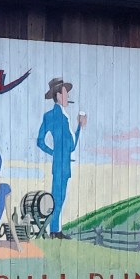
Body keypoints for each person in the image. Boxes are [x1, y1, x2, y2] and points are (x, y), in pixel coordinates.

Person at [37, 77, 87, 239]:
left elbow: (41, 141)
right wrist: (80, 126)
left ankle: (55, 230)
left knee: (59, 198)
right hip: (62, 165)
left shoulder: (54, 115)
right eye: (66, 93)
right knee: (58, 198)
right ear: (58, 95)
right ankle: (54, 231)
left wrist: (54, 153)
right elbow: (70, 146)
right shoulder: (59, 117)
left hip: (61, 164)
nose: (68, 97)